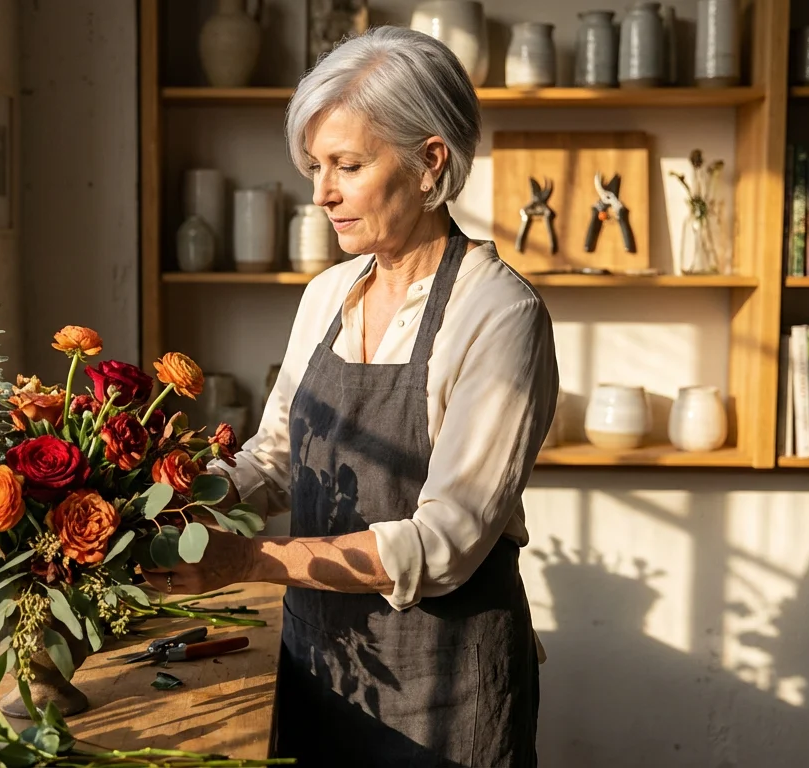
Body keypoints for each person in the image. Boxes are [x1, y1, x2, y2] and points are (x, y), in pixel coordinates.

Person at [142, 25, 559, 767]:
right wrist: (157, 497)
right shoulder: (328, 293)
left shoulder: (498, 313)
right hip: (318, 667)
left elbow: (443, 546)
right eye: (315, 166)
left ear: (431, 161)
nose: (321, 193)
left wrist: (246, 561)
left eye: (347, 165)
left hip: (446, 692)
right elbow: (275, 460)